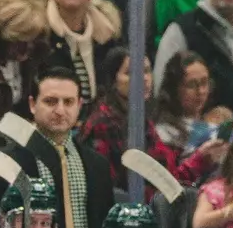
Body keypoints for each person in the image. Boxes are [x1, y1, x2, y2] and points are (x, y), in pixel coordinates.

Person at [82, 49, 221, 193]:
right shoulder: (104, 124)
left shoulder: (142, 120)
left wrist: (200, 159)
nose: (143, 78)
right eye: (130, 73)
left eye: (147, 71)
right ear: (113, 81)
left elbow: (169, 180)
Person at [25, 65, 113, 228]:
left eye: (68, 102)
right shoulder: (11, 161)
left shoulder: (97, 165)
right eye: (50, 101)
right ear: (32, 104)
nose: (60, 110)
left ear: (80, 105)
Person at [153, 51, 231, 168]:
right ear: (174, 89)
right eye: (192, 85)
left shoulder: (214, 121)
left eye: (204, 83)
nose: (201, 91)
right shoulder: (164, 133)